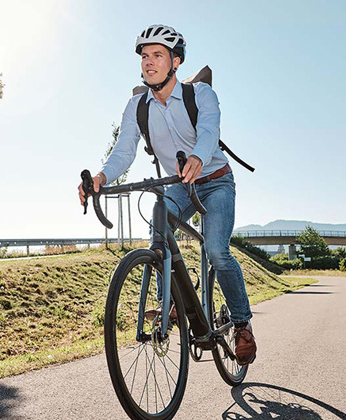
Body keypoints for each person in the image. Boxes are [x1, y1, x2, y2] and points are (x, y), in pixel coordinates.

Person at [77, 24, 256, 365]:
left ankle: (242, 324)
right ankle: (171, 302)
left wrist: (198, 156)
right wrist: (101, 176)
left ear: (175, 62)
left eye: (158, 55)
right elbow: (123, 151)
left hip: (214, 180)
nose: (149, 62)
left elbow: (208, 131)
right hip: (176, 184)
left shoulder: (200, 94)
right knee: (158, 234)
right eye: (145, 56)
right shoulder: (136, 106)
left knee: (216, 250)